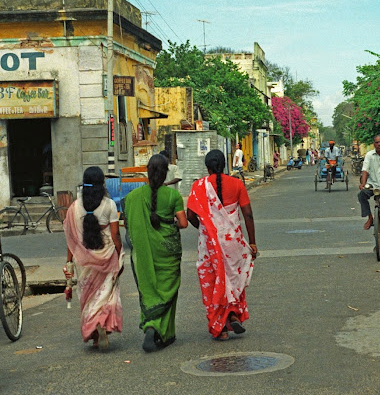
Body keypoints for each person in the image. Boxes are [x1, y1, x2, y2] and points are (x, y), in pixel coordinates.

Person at [187, 150, 258, 341]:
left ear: (207, 167)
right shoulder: (237, 184)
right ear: (225, 164)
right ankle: (233, 313)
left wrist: (206, 229)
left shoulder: (199, 186)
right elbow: (248, 215)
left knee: (213, 282)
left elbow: (190, 217)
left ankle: (221, 329)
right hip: (233, 243)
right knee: (232, 280)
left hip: (209, 245)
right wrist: (252, 242)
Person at [124, 154, 188, 352]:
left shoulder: (132, 197)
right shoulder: (173, 196)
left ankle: (151, 325)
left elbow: (128, 225)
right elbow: (184, 223)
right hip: (168, 250)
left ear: (148, 171)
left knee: (150, 287)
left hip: (146, 250)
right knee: (168, 288)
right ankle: (163, 331)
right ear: (166, 172)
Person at [63, 166, 124, 350]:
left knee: (89, 297)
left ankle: (96, 334)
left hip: (84, 260)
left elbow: (71, 240)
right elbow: (115, 235)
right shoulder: (109, 205)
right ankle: (103, 322)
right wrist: (119, 252)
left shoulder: (74, 207)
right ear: (102, 184)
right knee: (107, 294)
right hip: (106, 256)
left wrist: (69, 262)